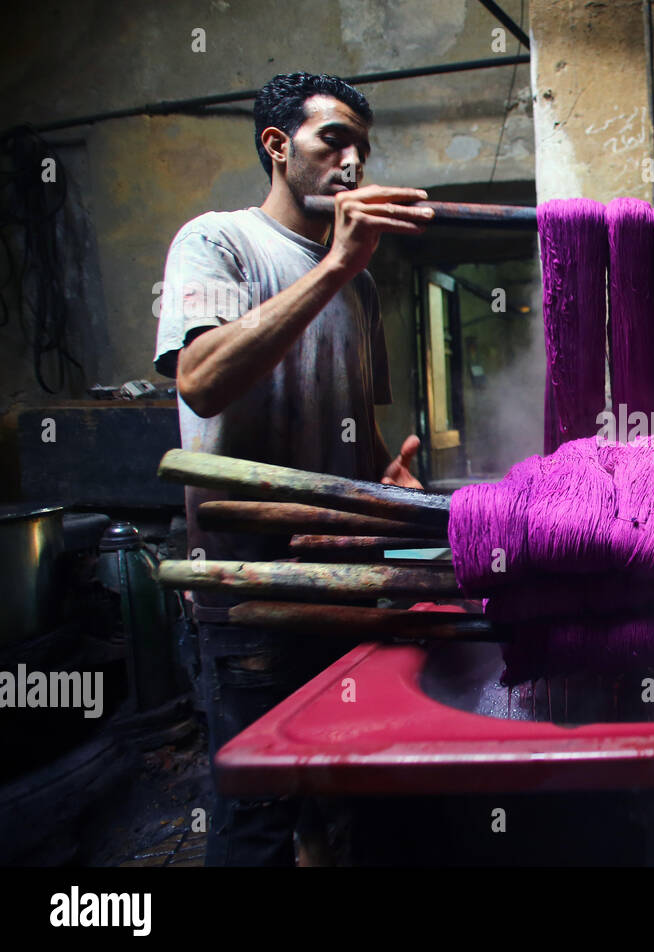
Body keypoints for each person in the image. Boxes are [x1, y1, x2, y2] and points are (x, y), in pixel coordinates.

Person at [153, 72, 433, 865]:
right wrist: (337, 267)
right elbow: (201, 379)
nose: (352, 161)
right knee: (257, 814)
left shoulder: (363, 282)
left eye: (363, 148)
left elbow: (358, 418)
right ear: (278, 147)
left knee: (355, 793)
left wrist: (389, 474)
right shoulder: (217, 242)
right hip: (249, 583)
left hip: (343, 575)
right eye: (332, 140)